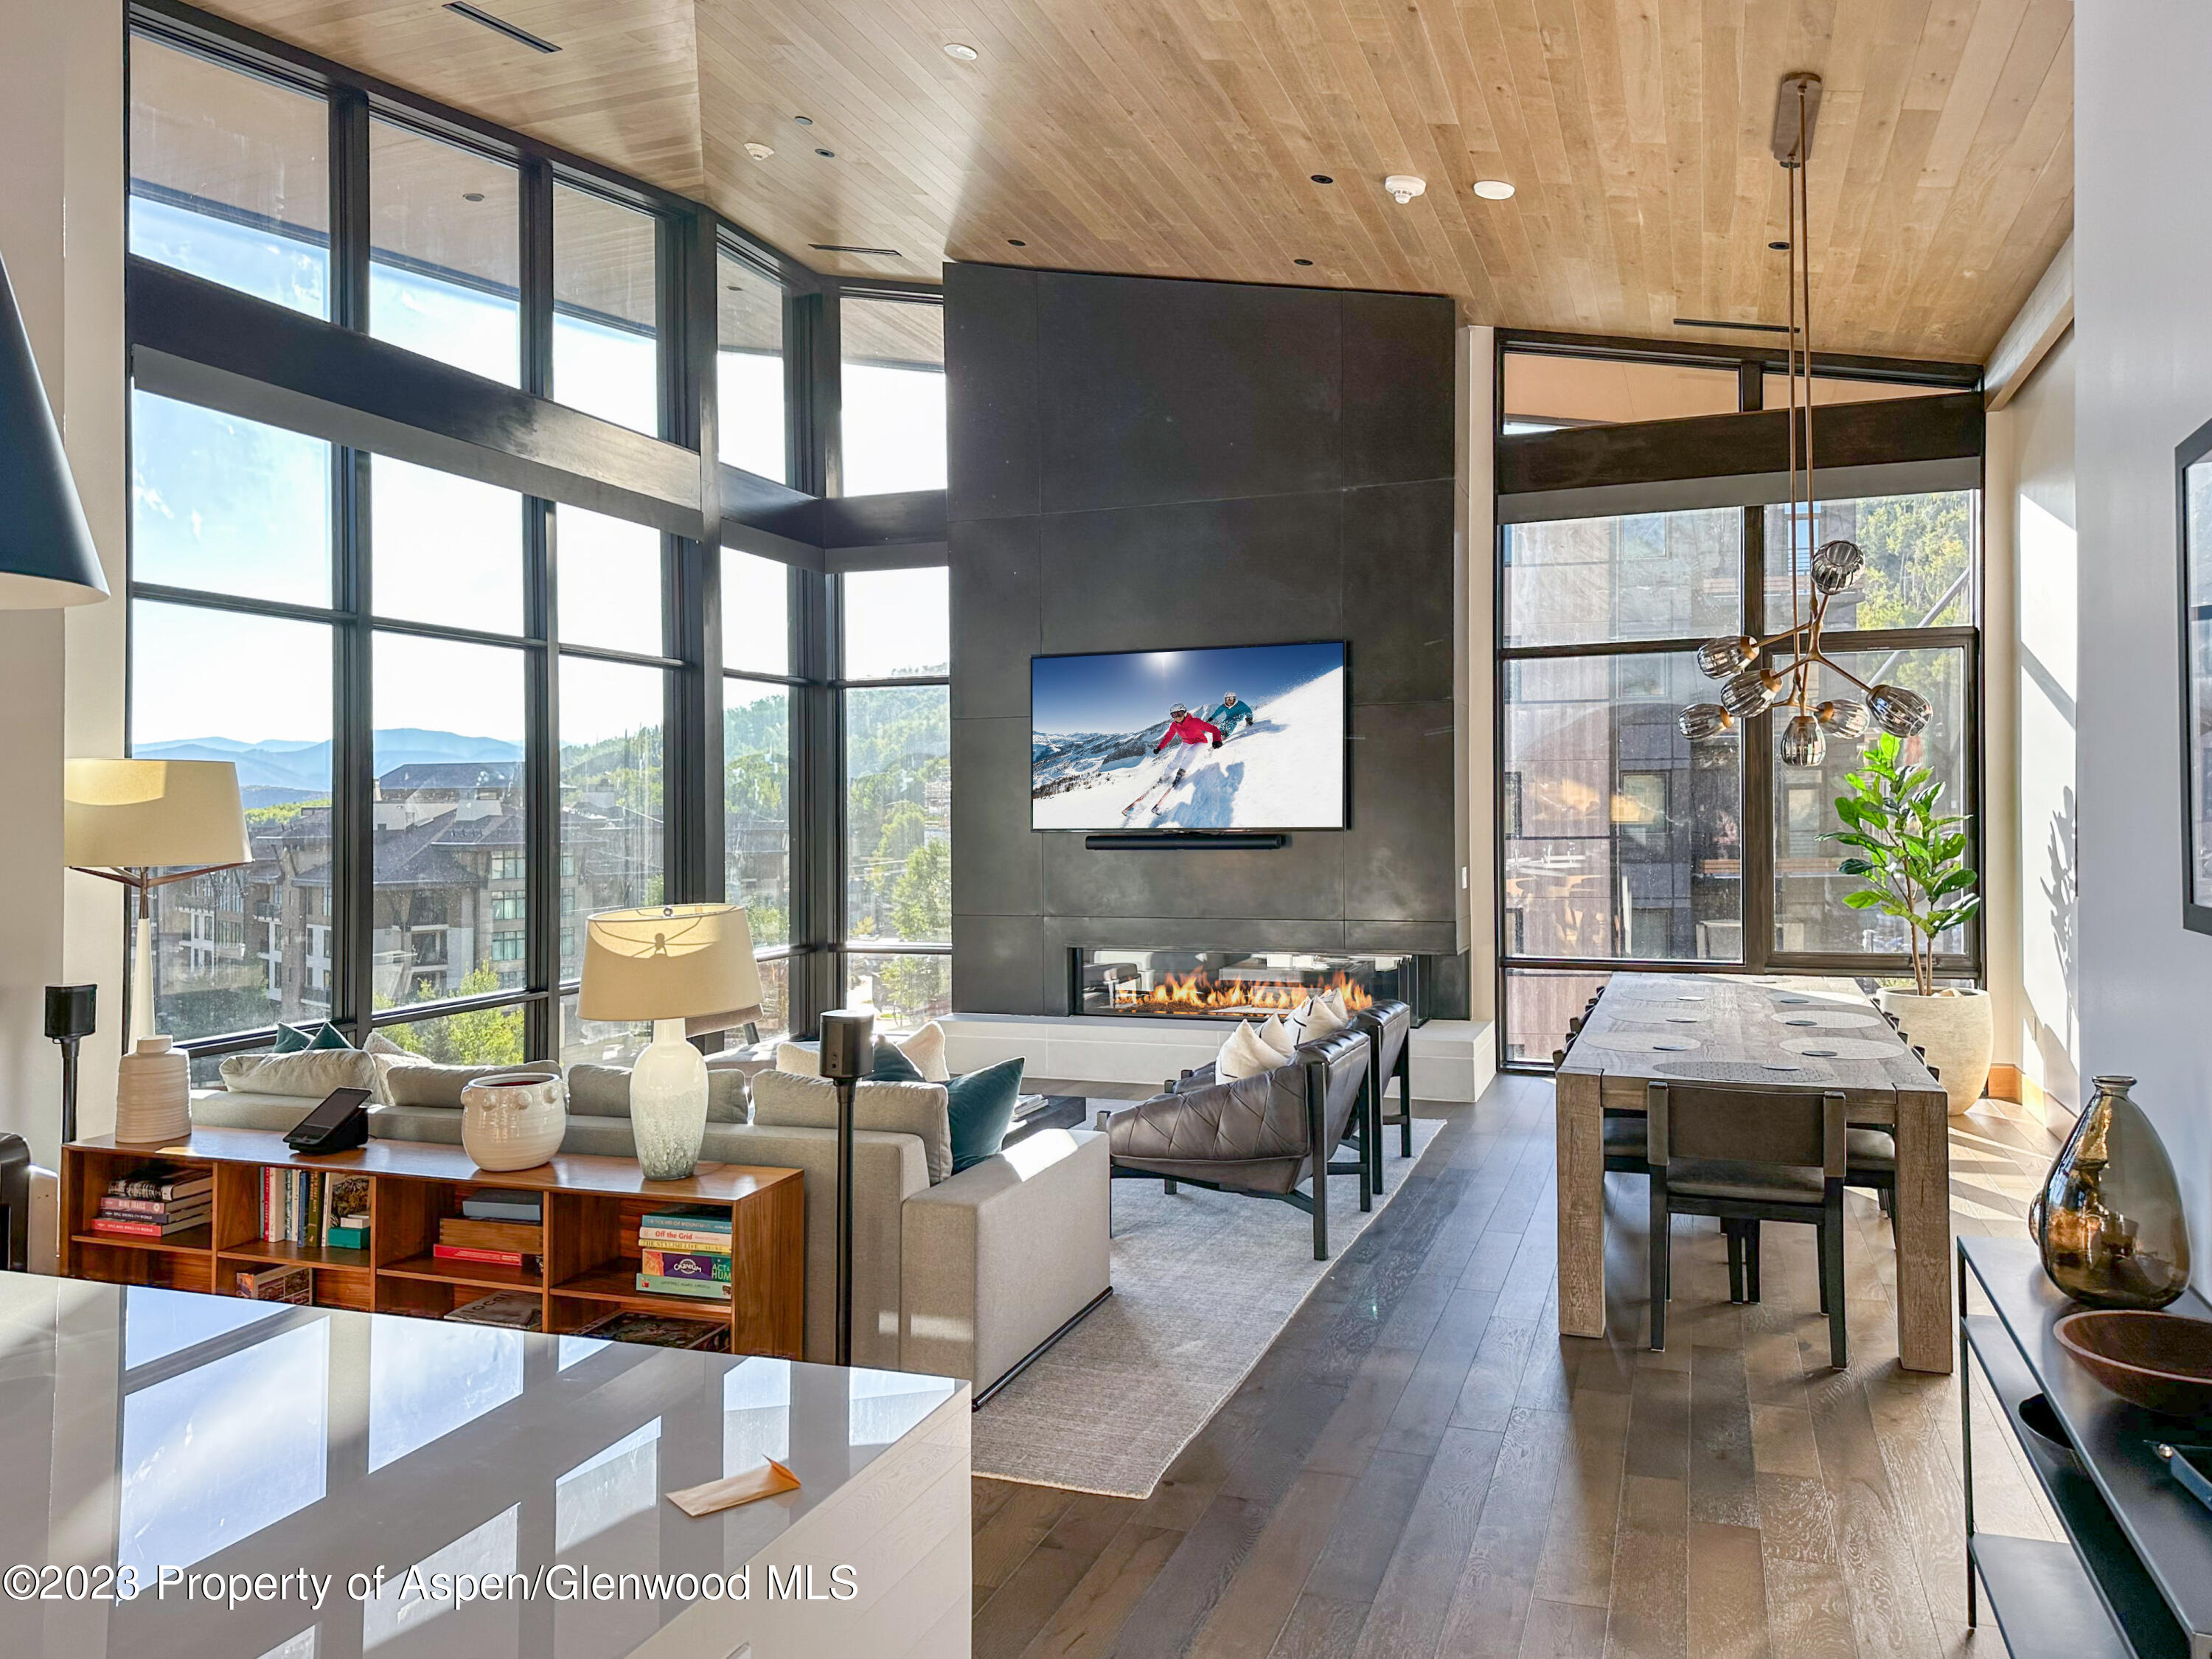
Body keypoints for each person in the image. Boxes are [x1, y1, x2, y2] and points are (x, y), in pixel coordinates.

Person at [1127, 703, 1223, 814]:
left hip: (1200, 742)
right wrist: (1160, 747)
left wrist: (1217, 740)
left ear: (1185, 712)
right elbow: (1168, 737)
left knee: (1191, 753)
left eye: (1180, 713)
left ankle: (1181, 772)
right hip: (1186, 743)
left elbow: (1214, 729)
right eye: (1174, 715)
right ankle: (1165, 775)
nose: (1177, 717)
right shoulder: (1174, 725)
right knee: (1177, 759)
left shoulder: (1195, 721)